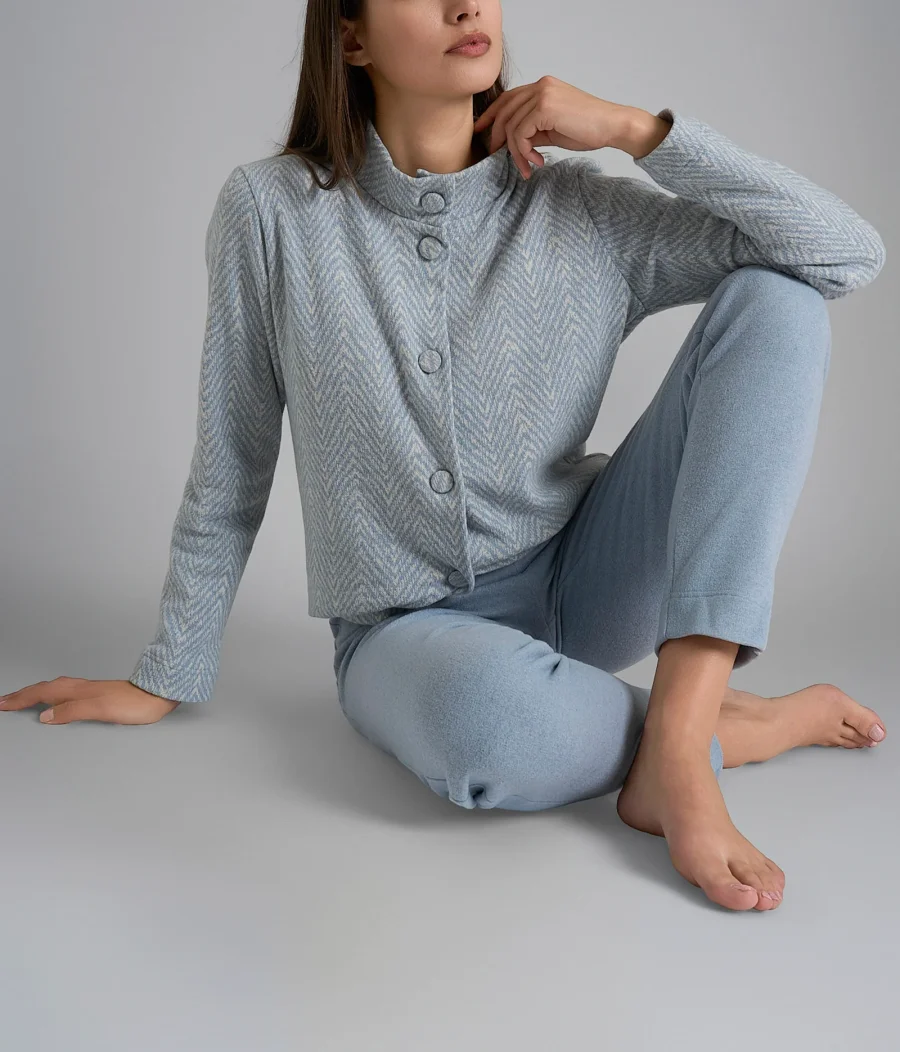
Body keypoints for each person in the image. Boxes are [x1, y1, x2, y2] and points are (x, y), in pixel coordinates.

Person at [0, 1, 888, 914]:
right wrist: (165, 675)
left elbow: (845, 253)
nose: (466, 4)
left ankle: (681, 744)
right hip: (404, 635)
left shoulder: (581, 208)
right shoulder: (272, 214)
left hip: (589, 579)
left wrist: (637, 132)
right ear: (351, 38)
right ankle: (725, 727)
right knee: (484, 725)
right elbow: (233, 456)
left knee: (780, 301)